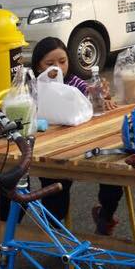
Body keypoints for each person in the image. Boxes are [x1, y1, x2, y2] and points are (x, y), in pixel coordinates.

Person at [30, 38, 123, 236]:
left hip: (85, 145)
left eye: (62, 61)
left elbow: (90, 95)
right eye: (50, 63)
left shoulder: (73, 82)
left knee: (114, 173)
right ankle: (54, 236)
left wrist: (101, 96)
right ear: (38, 65)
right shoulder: (34, 87)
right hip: (51, 151)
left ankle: (105, 217)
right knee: (56, 194)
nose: (57, 68)